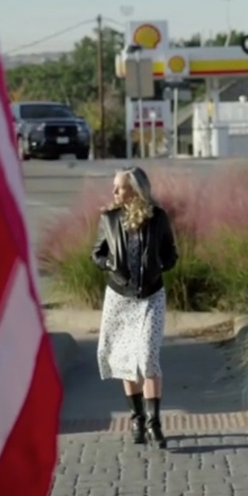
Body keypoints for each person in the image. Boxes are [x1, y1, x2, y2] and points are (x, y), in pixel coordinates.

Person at [91, 166, 178, 449]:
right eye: (114, 187)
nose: (114, 192)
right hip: (119, 297)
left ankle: (155, 424)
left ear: (135, 190)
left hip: (151, 296)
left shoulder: (157, 217)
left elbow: (171, 254)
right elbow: (97, 253)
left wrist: (158, 266)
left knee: (148, 357)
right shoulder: (109, 218)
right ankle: (137, 418)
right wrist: (111, 265)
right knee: (125, 358)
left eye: (120, 187)